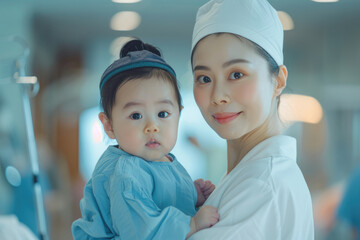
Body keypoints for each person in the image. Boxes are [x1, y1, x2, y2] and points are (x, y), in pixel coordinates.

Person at [189, 0, 314, 239]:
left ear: (278, 80)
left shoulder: (263, 184)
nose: (217, 97)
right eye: (204, 78)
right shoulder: (248, 175)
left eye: (236, 74)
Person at [71, 39, 219, 239]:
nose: (152, 126)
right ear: (109, 125)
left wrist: (191, 195)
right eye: (136, 116)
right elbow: (141, 230)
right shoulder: (126, 172)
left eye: (163, 114)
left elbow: (159, 198)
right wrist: (190, 224)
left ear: (179, 114)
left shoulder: (159, 159)